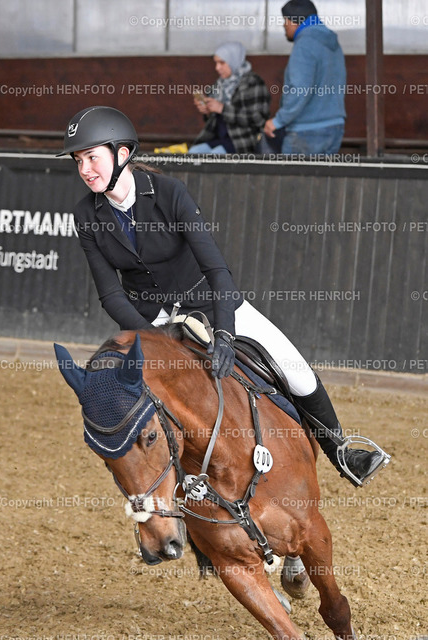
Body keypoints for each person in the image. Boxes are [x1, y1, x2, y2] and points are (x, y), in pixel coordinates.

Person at [57, 105, 389, 488]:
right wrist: (155, 338)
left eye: (91, 157)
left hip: (211, 305)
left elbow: (216, 269)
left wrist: (227, 334)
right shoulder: (86, 214)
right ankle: (162, 493)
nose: (84, 169)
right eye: (79, 160)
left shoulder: (169, 193)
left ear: (122, 154)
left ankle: (342, 451)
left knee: (293, 369)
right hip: (150, 323)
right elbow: (110, 294)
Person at [263, 0, 346, 156]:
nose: (284, 26)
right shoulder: (333, 45)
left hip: (306, 131)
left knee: (293, 180)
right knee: (323, 180)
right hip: (335, 127)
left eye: (285, 20)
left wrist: (278, 121)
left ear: (294, 21)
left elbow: (299, 90)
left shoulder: (304, 45)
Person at [188, 41, 271, 155]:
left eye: (222, 63)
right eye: (216, 63)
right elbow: (212, 120)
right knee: (193, 153)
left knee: (214, 157)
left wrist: (222, 109)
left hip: (241, 141)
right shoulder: (220, 83)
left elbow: (258, 119)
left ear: (234, 60)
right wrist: (207, 110)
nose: (217, 68)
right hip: (217, 138)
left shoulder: (253, 83)